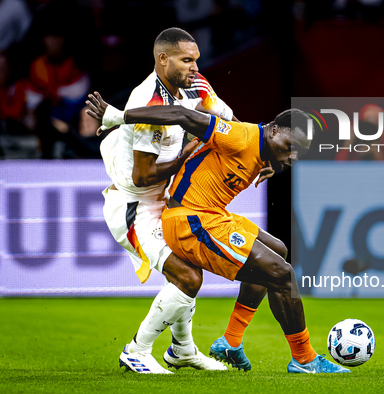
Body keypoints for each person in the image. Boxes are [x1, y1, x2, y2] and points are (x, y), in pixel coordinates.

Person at [86, 94, 350, 374]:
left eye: (299, 152)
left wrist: (270, 158)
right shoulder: (241, 137)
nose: (293, 156)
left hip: (211, 215)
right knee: (281, 273)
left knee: (278, 250)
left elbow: (248, 146)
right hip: (190, 221)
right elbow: (182, 115)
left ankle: (231, 341)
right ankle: (305, 359)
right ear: (274, 130)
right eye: (290, 146)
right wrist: (119, 116)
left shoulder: (260, 149)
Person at [96, 27, 239, 374]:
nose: (194, 67)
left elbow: (228, 120)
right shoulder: (149, 103)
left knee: (191, 272)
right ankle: (136, 350)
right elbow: (143, 176)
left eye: (196, 60)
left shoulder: (195, 86)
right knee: (188, 277)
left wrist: (258, 156)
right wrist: (187, 152)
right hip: (134, 208)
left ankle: (183, 351)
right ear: (163, 59)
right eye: (186, 60)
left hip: (165, 202)